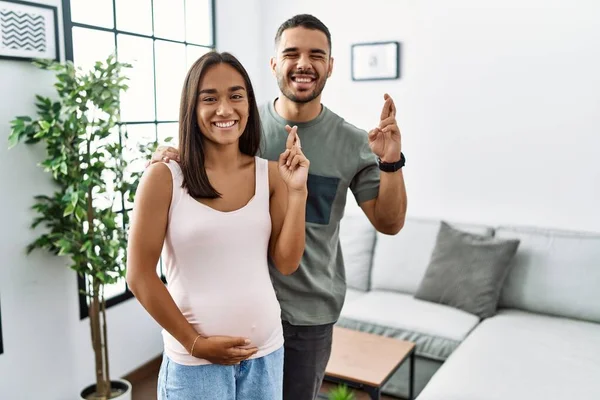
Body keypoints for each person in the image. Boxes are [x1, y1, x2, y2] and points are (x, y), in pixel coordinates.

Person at [150, 14, 407, 400]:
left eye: (316, 55)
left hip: (307, 314)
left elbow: (389, 223)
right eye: (291, 53)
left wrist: (391, 162)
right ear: (274, 64)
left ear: (330, 66)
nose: (303, 63)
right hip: (238, 313)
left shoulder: (354, 142)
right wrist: (172, 155)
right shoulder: (240, 126)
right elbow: (197, 173)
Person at [126, 51, 310, 400]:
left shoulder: (271, 175)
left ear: (249, 104)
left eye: (236, 96)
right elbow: (139, 275)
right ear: (191, 109)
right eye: (209, 98)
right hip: (195, 367)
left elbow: (287, 263)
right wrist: (196, 344)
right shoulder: (164, 177)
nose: (225, 109)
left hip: (266, 354)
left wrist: (297, 191)